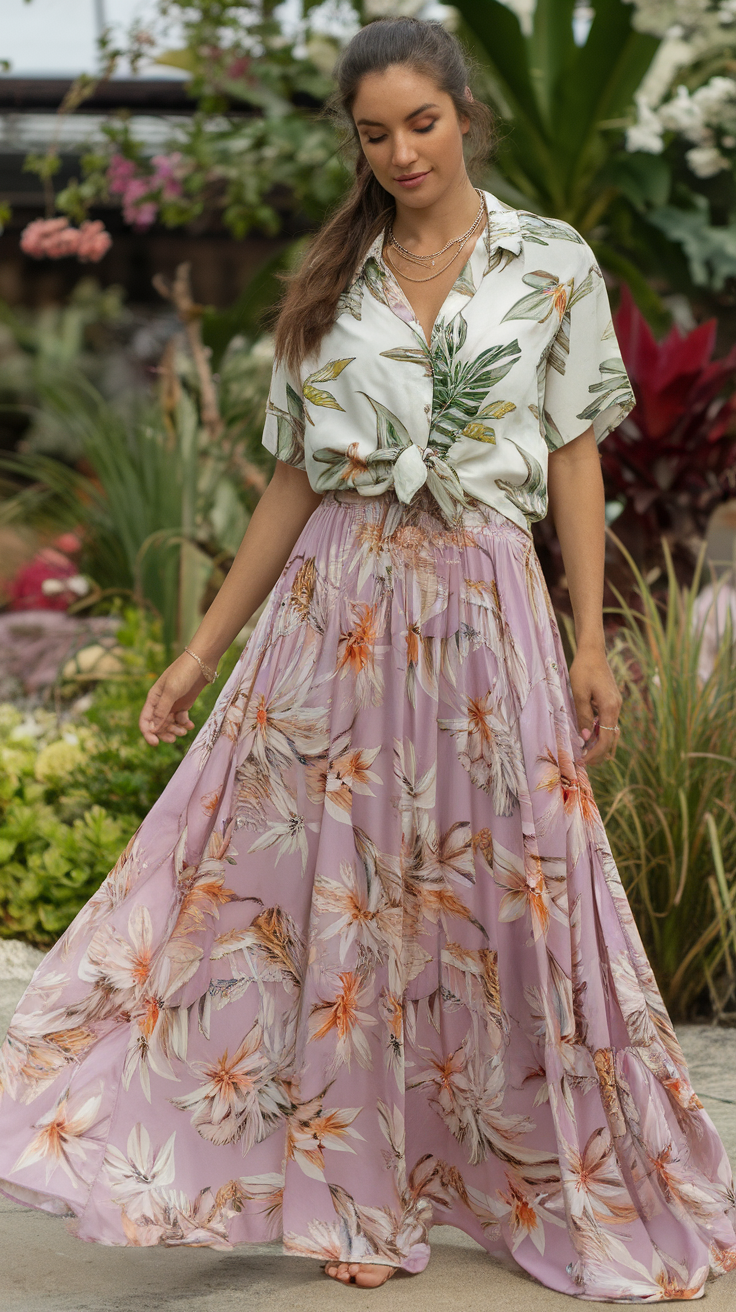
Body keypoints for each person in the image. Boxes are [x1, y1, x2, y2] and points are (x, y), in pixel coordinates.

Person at [1, 14, 735, 1302]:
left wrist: (591, 638)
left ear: (466, 112)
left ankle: (518, 1171)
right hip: (335, 608)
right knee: (322, 891)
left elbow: (575, 457)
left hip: (486, 606)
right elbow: (293, 478)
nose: (401, 151)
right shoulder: (331, 279)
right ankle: (352, 1182)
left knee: (510, 887)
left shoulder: (548, 262)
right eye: (374, 132)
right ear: (355, 139)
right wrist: (201, 650)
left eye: (422, 122)